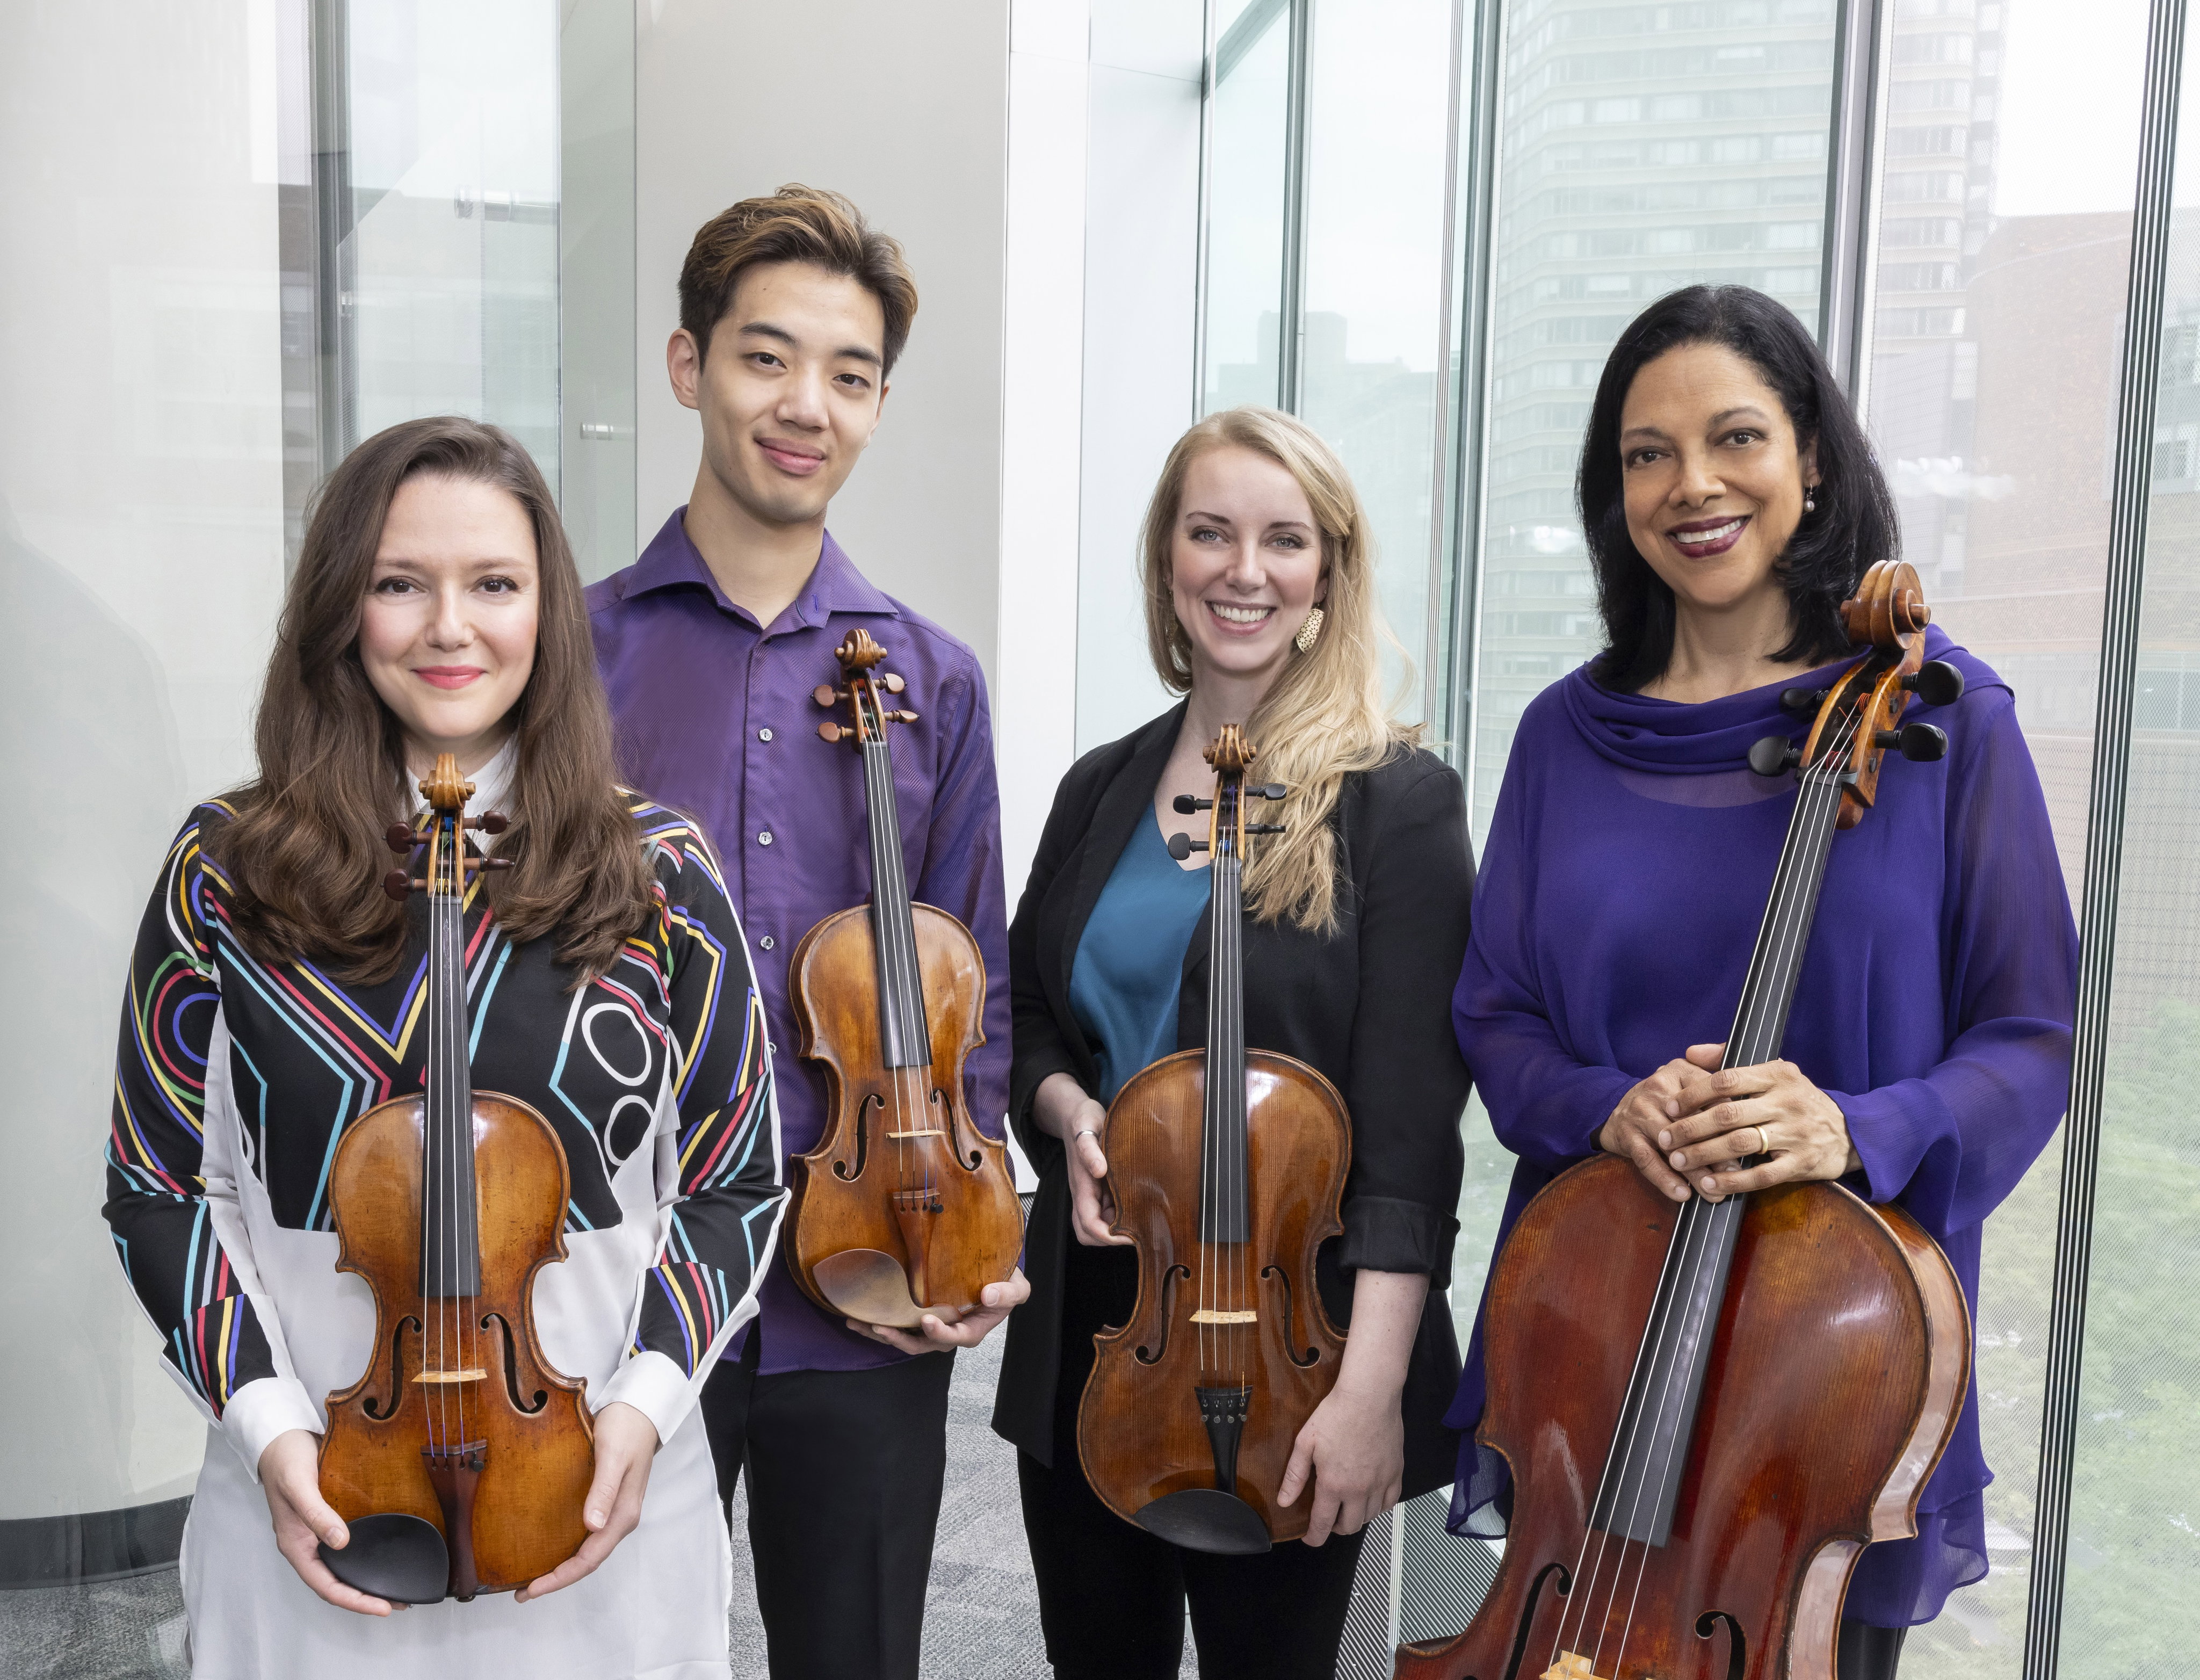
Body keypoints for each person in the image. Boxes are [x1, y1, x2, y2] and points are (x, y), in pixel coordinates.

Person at [1444, 285, 2078, 1678]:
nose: (1692, 484)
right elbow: (1494, 1014)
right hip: (1596, 1345)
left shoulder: (1941, 722)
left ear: (1812, 460)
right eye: (1646, 453)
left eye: (1735, 437)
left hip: (1818, 1397)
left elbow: (2034, 1037)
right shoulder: (1566, 735)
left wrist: (1857, 1127)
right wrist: (1610, 1107)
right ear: (1614, 494)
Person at [102, 416, 786, 1678]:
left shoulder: (659, 873)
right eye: (398, 583)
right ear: (339, 609)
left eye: (494, 584)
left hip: (595, 1486)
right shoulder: (225, 868)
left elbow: (738, 1178)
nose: (447, 627)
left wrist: (638, 1413)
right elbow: (155, 1184)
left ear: (548, 611)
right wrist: (266, 1428)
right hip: (312, 1480)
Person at [586, 184, 1024, 1680]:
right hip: (627, 1280)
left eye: (848, 375)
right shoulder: (570, 662)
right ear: (687, 363)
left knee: (858, 1659)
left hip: (867, 1279)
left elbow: (975, 992)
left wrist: (966, 1231)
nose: (806, 406)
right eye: (767, 358)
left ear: (881, 403)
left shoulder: (936, 681)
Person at [994, 405, 1474, 1679]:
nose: (1242, 570)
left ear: (1328, 571)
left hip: (1295, 1345)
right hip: (1102, 1322)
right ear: (1167, 560)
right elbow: (1021, 1012)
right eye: (1209, 533)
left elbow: (1411, 1136)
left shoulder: (1398, 803)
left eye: (1282, 540)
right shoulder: (1100, 785)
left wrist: (1367, 1389)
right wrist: (1064, 1112)